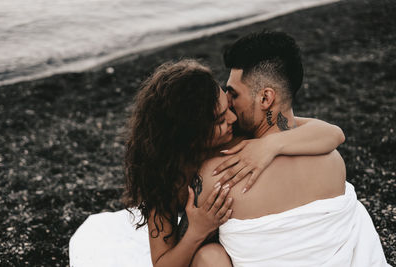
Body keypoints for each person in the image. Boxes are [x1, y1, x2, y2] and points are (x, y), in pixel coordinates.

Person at [69, 59, 345, 267]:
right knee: (209, 256)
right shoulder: (166, 176)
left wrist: (270, 144)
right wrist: (197, 231)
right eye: (219, 121)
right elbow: (162, 263)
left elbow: (331, 133)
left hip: (247, 248)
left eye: (227, 108)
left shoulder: (238, 130)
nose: (233, 120)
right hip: (201, 254)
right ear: (188, 135)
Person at [190, 31, 390, 266]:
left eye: (234, 94)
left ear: (265, 98)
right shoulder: (333, 160)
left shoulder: (219, 174)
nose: (228, 103)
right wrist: (274, 141)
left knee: (208, 255)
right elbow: (327, 131)